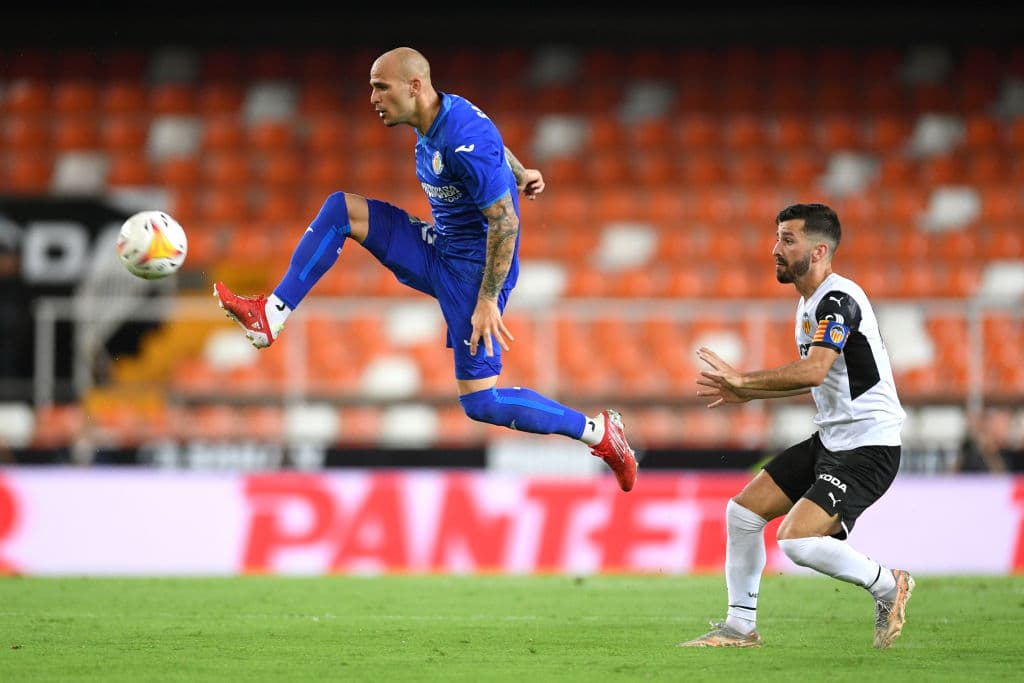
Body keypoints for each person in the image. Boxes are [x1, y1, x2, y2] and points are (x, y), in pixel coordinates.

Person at [213, 46, 637, 491]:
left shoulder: (460, 136)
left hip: (472, 274)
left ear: (414, 86)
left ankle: (600, 433)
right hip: (440, 246)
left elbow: (505, 220)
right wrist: (519, 169)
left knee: (481, 402)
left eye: (381, 87)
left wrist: (488, 300)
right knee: (342, 210)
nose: (373, 98)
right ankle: (270, 316)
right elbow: (492, 141)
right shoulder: (438, 115)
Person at [679, 203, 913, 649]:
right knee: (743, 513)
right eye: (777, 239)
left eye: (788, 240)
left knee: (798, 542)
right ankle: (740, 627)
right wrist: (746, 392)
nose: (776, 249)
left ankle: (889, 584)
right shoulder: (809, 304)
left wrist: (745, 380)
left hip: (869, 447)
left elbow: (813, 371)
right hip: (833, 439)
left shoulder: (838, 300)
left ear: (820, 250)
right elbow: (815, 376)